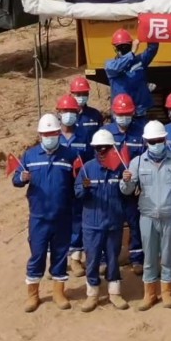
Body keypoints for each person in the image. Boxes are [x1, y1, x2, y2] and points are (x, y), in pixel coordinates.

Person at [12, 113, 76, 313]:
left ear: (59, 133)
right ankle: (33, 295)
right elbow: (15, 180)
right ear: (40, 135)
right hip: (39, 217)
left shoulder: (70, 155)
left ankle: (59, 293)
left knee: (59, 255)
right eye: (45, 134)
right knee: (37, 255)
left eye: (53, 133)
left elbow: (77, 184)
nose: (49, 137)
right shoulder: (29, 155)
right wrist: (21, 177)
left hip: (62, 216)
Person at [119, 120, 171, 311]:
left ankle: (168, 291)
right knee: (149, 257)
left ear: (165, 139)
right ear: (146, 142)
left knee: (168, 256)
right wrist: (126, 181)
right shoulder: (137, 162)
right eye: (152, 141)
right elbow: (128, 191)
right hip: (147, 217)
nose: (156, 144)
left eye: (159, 140)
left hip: (170, 216)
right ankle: (150, 293)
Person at [75, 129, 129, 312]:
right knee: (92, 259)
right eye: (99, 148)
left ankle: (115, 293)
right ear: (95, 149)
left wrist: (128, 181)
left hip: (113, 222)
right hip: (92, 224)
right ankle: (92, 294)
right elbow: (78, 194)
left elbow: (127, 194)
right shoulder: (87, 168)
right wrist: (85, 187)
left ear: (112, 148)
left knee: (113, 258)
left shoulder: (120, 168)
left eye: (106, 148)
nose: (103, 151)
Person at [107, 93, 145, 276]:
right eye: (120, 114)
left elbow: (145, 159)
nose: (124, 118)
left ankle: (136, 258)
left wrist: (141, 184)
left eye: (127, 114)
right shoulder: (106, 133)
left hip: (133, 187)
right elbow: (99, 158)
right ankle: (109, 259)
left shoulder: (140, 132)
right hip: (112, 187)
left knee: (134, 221)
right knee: (112, 223)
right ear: (113, 114)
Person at [56, 93, 91, 277]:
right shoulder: (53, 136)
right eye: (65, 111)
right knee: (59, 222)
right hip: (59, 187)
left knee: (78, 220)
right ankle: (58, 260)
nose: (69, 114)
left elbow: (90, 160)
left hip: (77, 186)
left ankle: (76, 258)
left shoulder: (83, 135)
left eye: (72, 111)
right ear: (58, 112)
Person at [104, 28, 159, 118]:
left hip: (140, 111)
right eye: (120, 46)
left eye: (126, 46)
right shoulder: (111, 65)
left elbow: (152, 49)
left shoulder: (140, 60)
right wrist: (132, 53)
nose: (123, 48)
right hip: (121, 111)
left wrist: (150, 32)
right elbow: (117, 67)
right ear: (115, 48)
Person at [69, 76, 104, 145]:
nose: (81, 97)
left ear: (88, 94)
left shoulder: (95, 115)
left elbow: (101, 138)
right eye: (78, 94)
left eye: (84, 94)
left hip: (90, 155)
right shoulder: (66, 115)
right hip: (71, 154)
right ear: (72, 94)